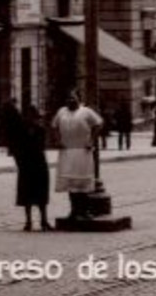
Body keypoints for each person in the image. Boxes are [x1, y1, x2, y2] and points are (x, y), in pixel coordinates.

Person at [52, 91, 104, 220]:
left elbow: (98, 124)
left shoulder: (86, 111)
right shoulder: (61, 112)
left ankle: (85, 210)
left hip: (82, 151)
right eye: (69, 98)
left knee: (82, 183)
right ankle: (74, 210)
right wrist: (57, 140)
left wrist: (91, 140)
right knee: (71, 183)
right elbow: (54, 126)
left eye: (73, 98)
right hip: (67, 151)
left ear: (79, 99)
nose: (71, 100)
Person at [12, 104, 51, 231]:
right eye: (29, 116)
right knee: (26, 194)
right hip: (26, 164)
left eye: (33, 116)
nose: (32, 119)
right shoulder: (20, 130)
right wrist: (19, 162)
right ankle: (28, 221)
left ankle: (43, 220)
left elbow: (42, 146)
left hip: (39, 164)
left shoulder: (41, 130)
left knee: (41, 194)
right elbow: (16, 148)